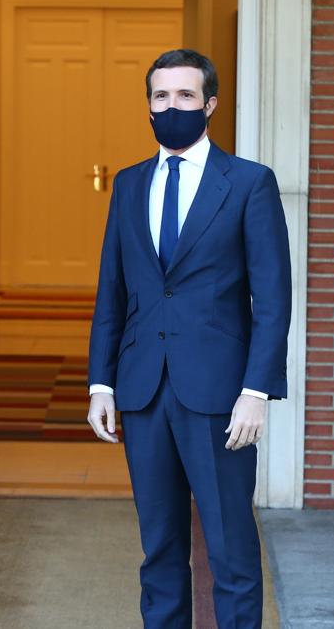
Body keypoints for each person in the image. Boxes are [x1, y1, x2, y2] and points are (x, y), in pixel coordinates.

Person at [86, 48, 291, 628]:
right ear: (148, 106)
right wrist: (101, 382)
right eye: (159, 97)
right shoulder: (129, 185)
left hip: (220, 395)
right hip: (143, 389)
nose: (170, 106)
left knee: (230, 551)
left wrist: (256, 390)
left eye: (183, 96)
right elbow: (113, 293)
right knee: (160, 551)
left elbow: (273, 298)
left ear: (210, 105)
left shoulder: (249, 183)